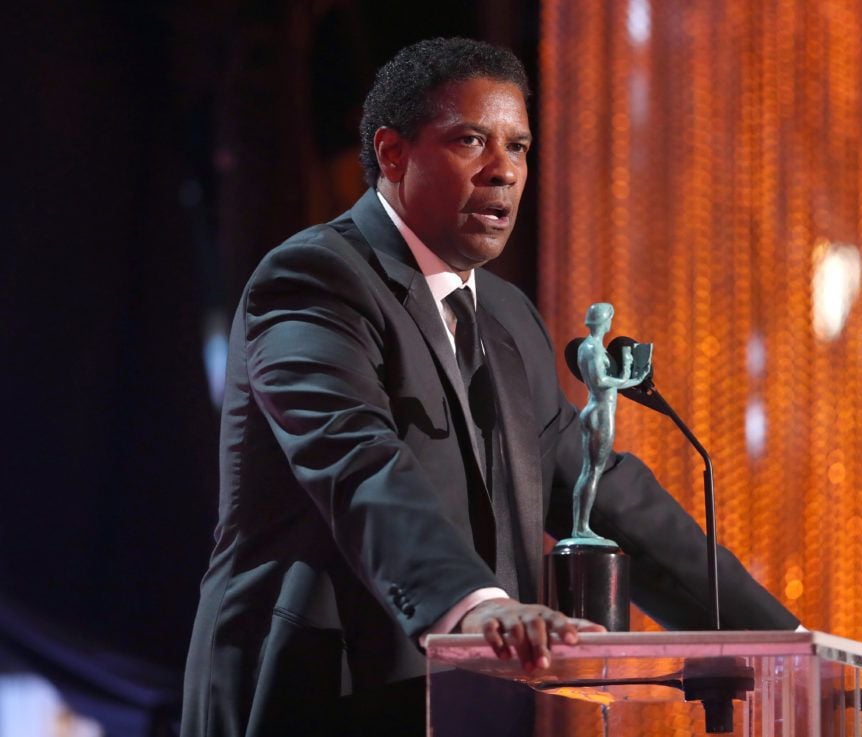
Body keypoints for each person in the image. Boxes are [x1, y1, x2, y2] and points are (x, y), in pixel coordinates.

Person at [182, 37, 798, 737]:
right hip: (320, 691)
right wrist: (474, 603)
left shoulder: (505, 316)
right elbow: (356, 460)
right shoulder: (315, 280)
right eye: (472, 140)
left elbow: (604, 491)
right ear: (392, 153)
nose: (503, 171)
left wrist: (784, 640)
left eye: (519, 146)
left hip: (466, 702)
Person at [568, 303, 647, 544]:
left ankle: (581, 526)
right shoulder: (591, 348)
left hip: (595, 410)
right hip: (600, 412)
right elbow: (601, 380)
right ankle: (581, 528)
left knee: (590, 471)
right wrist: (630, 378)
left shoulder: (589, 347)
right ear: (606, 321)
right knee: (592, 472)